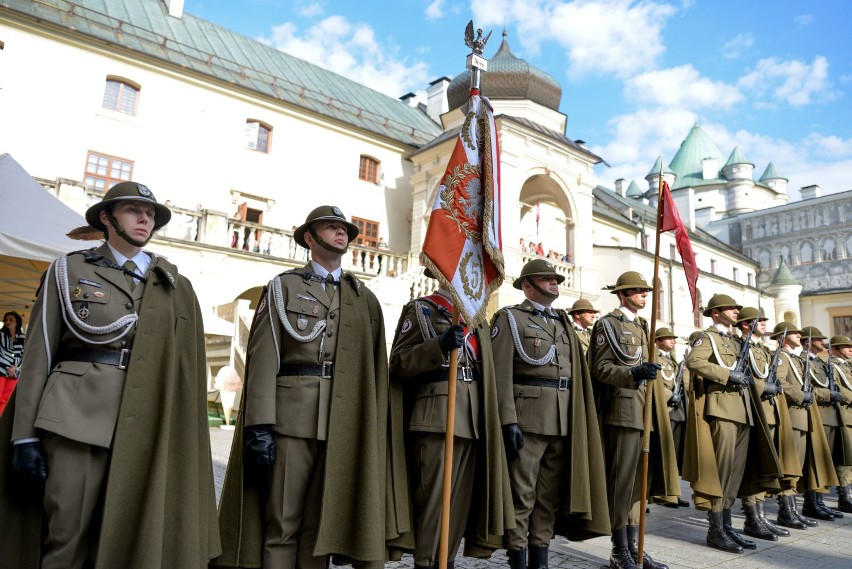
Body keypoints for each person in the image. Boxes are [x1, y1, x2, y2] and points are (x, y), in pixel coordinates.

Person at [0, 181, 220, 569]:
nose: (144, 219)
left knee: (128, 539)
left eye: (150, 213)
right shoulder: (69, 269)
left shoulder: (172, 283)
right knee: (66, 537)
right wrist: (24, 436)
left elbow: (185, 367)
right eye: (134, 210)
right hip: (75, 420)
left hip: (145, 425)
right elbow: (39, 354)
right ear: (106, 217)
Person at [214, 205, 408, 569]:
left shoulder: (362, 297)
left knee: (319, 528)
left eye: (344, 229)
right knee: (282, 524)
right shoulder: (283, 287)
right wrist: (259, 424)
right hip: (292, 419)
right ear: (309, 237)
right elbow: (264, 357)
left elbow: (374, 369)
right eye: (331, 227)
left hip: (344, 422)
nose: (341, 233)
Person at [389, 273, 513, 569]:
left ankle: (446, 560)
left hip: (473, 417)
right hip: (437, 414)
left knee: (459, 503)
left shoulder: (477, 319)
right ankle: (427, 562)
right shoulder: (422, 309)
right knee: (434, 501)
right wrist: (438, 345)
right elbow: (399, 361)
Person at [490, 260, 608, 569]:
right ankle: (517, 558)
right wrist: (508, 419)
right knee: (521, 496)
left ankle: (539, 560)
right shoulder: (510, 318)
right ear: (528, 286)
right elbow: (499, 373)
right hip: (527, 418)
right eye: (547, 279)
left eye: (556, 279)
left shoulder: (562, 322)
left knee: (548, 499)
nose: (555, 282)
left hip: (562, 419)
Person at [588, 271, 679, 569]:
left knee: (641, 484)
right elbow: (600, 368)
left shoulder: (642, 326)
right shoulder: (608, 325)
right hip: (623, 412)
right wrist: (633, 374)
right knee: (622, 484)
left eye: (645, 291)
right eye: (639, 291)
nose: (644, 295)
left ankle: (636, 548)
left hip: (646, 413)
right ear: (623, 294)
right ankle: (619, 549)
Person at [683, 294, 779, 554]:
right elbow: (694, 362)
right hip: (722, 410)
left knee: (734, 475)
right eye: (730, 308)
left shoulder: (737, 341)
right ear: (715, 313)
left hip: (743, 410)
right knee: (721, 472)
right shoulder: (708, 337)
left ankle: (726, 526)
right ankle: (716, 530)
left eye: (737, 308)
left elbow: (747, 376)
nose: (737, 311)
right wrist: (727, 375)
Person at [733, 309, 797, 542]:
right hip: (753, 411)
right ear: (746, 325)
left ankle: (761, 517)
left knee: (765, 463)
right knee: (754, 464)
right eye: (759, 322)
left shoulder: (762, 349)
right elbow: (743, 376)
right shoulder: (740, 346)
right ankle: (752, 518)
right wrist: (763, 388)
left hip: (769, 411)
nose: (763, 325)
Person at [770, 322, 828, 530]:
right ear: (782, 337)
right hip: (792, 416)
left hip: (802, 416)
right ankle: (786, 511)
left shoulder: (794, 358)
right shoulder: (782, 357)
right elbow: (779, 382)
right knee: (789, 466)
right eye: (794, 333)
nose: (799, 335)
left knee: (799, 465)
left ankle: (793, 509)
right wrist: (798, 395)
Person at [800, 326, 847, 520]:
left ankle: (818, 501)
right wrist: (828, 394)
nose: (823, 343)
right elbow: (808, 388)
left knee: (825, 461)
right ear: (808, 342)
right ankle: (811, 503)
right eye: (819, 340)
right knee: (815, 461)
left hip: (830, 414)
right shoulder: (802, 361)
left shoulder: (819, 362)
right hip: (817, 414)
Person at [654, 327, 689, 507]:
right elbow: (657, 382)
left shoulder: (672, 360)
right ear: (658, 341)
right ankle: (663, 494)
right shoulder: (656, 359)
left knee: (674, 453)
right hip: (665, 408)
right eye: (668, 338)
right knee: (664, 452)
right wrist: (669, 396)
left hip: (677, 410)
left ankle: (673, 493)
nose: (672, 341)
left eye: (673, 338)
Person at [826, 335, 852, 513]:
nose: (850, 349)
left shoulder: (846, 366)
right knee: (846, 457)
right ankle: (845, 496)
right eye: (846, 346)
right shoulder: (832, 366)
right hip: (844, 414)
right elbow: (836, 387)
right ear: (835, 349)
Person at [0, 311, 25, 415]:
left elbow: (24, 355)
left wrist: (16, 368)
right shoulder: (1, 335)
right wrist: (8, 367)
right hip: (1, 369)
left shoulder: (23, 337)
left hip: (14, 373)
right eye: (6, 320)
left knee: (6, 400)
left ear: (17, 322)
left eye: (11, 319)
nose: (7, 322)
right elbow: (1, 353)